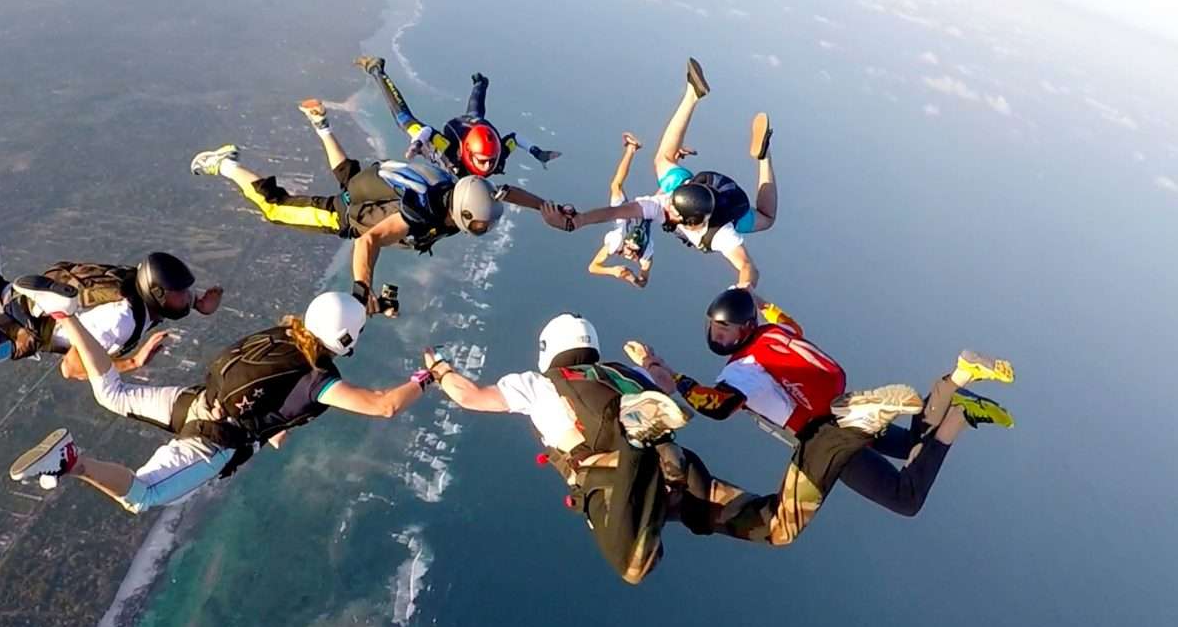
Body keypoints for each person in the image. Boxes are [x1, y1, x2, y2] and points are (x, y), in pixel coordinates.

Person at [621, 287, 1016, 545]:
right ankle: (959, 379)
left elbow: (717, 405)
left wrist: (671, 375)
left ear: (744, 329)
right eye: (712, 327)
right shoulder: (773, 335)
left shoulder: (743, 369)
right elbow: (791, 324)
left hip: (821, 439)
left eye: (723, 330)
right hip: (835, 405)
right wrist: (761, 302)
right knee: (915, 442)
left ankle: (943, 417)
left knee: (905, 498)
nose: (715, 336)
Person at [6, 284, 433, 514]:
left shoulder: (288, 333)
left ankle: (66, 316)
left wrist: (368, 306)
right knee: (142, 496)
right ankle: (71, 462)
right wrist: (430, 375)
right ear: (345, 341)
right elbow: (384, 405)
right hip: (213, 443)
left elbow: (329, 324)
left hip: (196, 401)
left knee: (111, 392)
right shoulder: (316, 381)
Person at [424, 312, 775, 584]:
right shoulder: (620, 373)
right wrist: (649, 361)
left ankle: (635, 439)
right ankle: (801, 480)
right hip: (673, 463)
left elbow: (469, 395)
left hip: (612, 471)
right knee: (768, 523)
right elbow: (665, 384)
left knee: (633, 563)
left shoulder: (538, 385)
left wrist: (439, 369)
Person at [190, 100, 562, 313]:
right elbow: (367, 241)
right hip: (347, 216)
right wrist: (361, 289)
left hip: (368, 191)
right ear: (463, 216)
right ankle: (225, 165)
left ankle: (321, 124)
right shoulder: (421, 213)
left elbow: (504, 193)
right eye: (477, 226)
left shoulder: (461, 187)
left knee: (348, 177)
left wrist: (547, 207)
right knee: (276, 208)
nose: (477, 230)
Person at [0, 172, 222, 380]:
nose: (186, 297)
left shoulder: (136, 283)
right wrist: (132, 362)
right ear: (157, 294)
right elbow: (72, 367)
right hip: (27, 330)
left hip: (34, 303)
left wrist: (199, 304)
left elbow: (175, 297)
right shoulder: (121, 322)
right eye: (182, 294)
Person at [548, 58, 777, 289]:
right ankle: (692, 94)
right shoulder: (665, 202)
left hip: (728, 207)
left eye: (672, 209)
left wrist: (744, 288)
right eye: (671, 201)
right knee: (663, 160)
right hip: (694, 187)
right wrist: (579, 221)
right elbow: (614, 212)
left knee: (766, 218)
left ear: (687, 221)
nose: (667, 204)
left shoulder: (720, 234)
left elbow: (748, 267)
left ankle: (762, 156)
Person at [354, 55, 560, 178]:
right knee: (404, 120)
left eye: (490, 161)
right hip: (459, 130)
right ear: (469, 153)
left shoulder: (497, 154)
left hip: (476, 127)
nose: (487, 166)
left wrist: (538, 153)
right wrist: (417, 144)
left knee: (475, 113)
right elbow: (428, 132)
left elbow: (514, 139)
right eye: (483, 161)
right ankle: (377, 70)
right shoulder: (450, 149)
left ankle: (480, 84)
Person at [587, 133, 656, 287]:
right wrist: (630, 277)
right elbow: (643, 282)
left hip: (624, 215)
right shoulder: (645, 253)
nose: (630, 253)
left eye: (631, 250)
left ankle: (632, 148)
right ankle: (636, 149)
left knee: (616, 186)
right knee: (662, 199)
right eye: (632, 250)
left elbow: (593, 267)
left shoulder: (617, 243)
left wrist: (612, 271)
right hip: (639, 213)